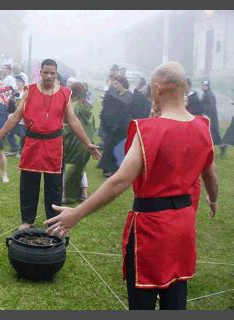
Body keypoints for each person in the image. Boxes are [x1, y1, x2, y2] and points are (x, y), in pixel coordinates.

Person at [44, 61, 219, 310]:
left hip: (152, 228)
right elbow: (210, 174)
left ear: (157, 88)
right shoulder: (202, 126)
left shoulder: (149, 130)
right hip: (183, 224)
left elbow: (120, 180)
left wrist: (77, 213)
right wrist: (213, 200)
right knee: (176, 293)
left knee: (143, 301)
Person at [0, 59, 101, 231]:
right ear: (41, 72)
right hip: (32, 143)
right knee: (29, 184)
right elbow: (15, 117)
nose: (49, 76)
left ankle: (53, 221)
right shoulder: (29, 91)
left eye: (52, 73)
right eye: (46, 72)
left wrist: (88, 143)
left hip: (54, 144)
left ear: (56, 73)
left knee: (53, 186)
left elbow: (73, 121)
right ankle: (27, 220)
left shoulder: (65, 93)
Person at [62, 82, 95, 203]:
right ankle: (80, 195)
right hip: (86, 143)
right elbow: (92, 126)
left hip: (73, 142)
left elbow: (66, 126)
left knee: (64, 168)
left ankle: (67, 196)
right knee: (79, 169)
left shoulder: (73, 106)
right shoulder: (88, 106)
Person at [98, 75, 133, 177]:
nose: (115, 86)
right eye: (114, 84)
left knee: (118, 147)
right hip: (111, 126)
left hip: (122, 126)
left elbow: (123, 106)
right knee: (108, 145)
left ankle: (116, 169)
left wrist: (112, 97)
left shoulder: (128, 95)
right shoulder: (115, 94)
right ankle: (107, 168)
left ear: (123, 84)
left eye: (117, 84)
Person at [5, 75, 26, 156]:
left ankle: (22, 151)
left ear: (23, 83)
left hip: (21, 118)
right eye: (16, 81)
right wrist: (12, 95)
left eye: (19, 82)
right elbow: (8, 102)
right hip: (12, 116)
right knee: (8, 132)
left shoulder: (25, 92)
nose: (17, 83)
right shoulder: (14, 92)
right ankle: (15, 147)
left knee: (22, 134)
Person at [201, 80, 222, 145]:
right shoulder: (207, 93)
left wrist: (207, 116)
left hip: (210, 115)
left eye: (203, 85)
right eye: (201, 85)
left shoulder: (209, 94)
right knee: (212, 131)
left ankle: (221, 145)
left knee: (213, 130)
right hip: (209, 115)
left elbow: (211, 106)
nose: (202, 87)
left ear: (207, 86)